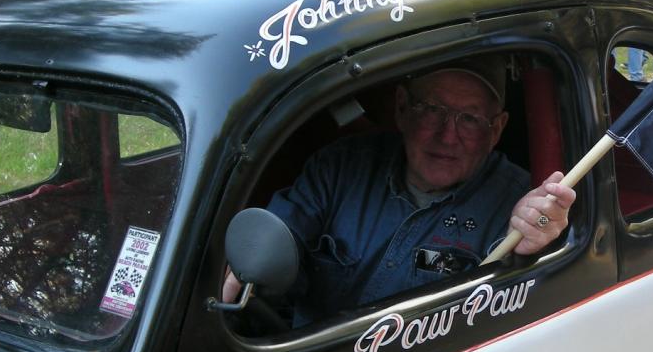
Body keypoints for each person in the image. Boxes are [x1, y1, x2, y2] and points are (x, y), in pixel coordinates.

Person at [224, 59, 575, 323]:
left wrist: (537, 241)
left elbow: (528, 306)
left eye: (469, 119)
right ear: (402, 108)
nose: (447, 136)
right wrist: (240, 268)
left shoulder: (516, 203)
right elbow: (274, 239)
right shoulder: (340, 166)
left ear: (496, 130)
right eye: (433, 110)